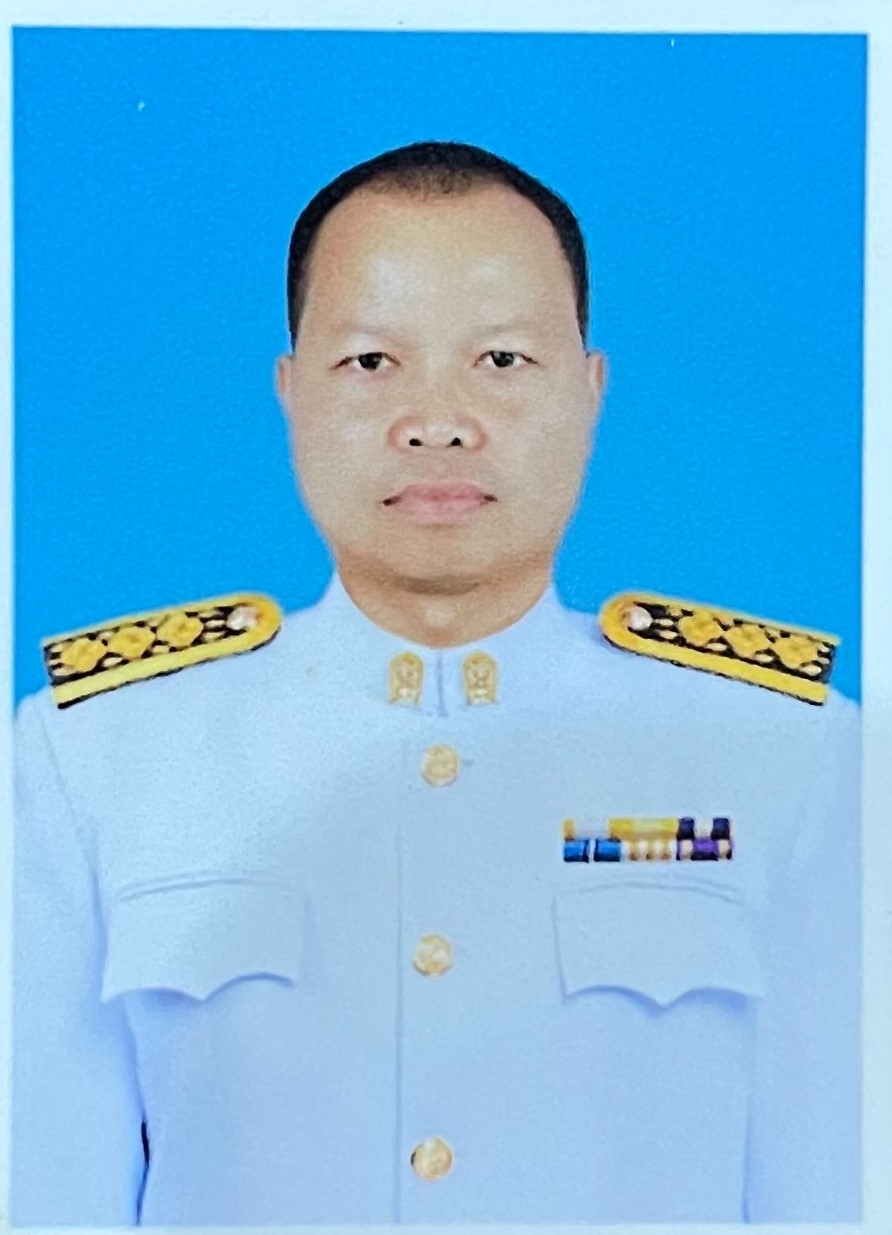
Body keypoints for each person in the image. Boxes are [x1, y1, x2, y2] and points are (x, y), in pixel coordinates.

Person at [12, 140, 860, 1226]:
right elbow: (42, 1192)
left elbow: (837, 1188)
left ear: (590, 390)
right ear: (290, 392)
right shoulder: (94, 755)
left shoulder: (787, 754)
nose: (438, 419)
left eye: (501, 358)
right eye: (372, 361)